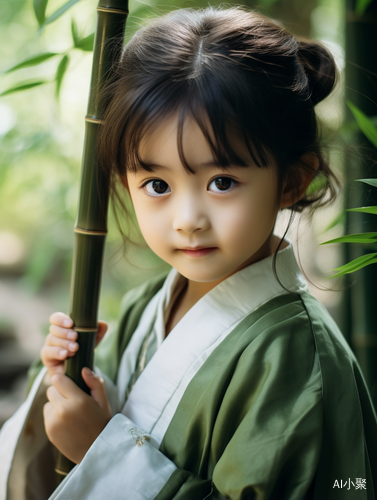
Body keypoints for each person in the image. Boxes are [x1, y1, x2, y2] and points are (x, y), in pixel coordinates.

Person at [1, 5, 376, 500]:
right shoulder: (146, 306)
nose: (187, 218)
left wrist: (105, 452)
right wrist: (65, 380)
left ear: (291, 180)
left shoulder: (299, 362)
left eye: (222, 182)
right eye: (157, 183)